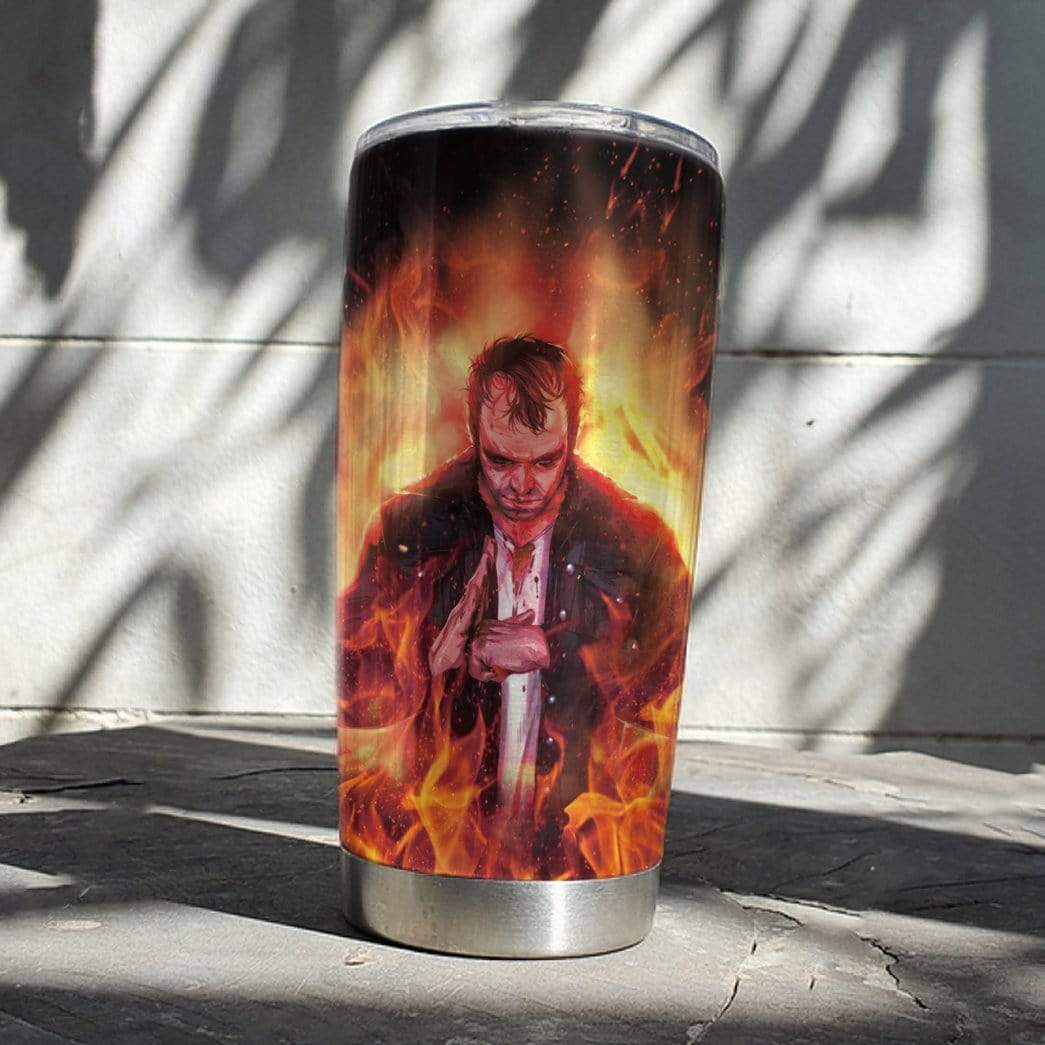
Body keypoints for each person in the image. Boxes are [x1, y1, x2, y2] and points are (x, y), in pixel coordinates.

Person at [339, 335, 691, 877]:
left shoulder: (637, 541)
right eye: (500, 459)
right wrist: (429, 658)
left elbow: (663, 699)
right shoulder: (408, 528)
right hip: (438, 852)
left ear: (574, 438)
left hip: (583, 855)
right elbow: (354, 698)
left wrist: (558, 651)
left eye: (545, 460)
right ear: (473, 435)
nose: (522, 485)